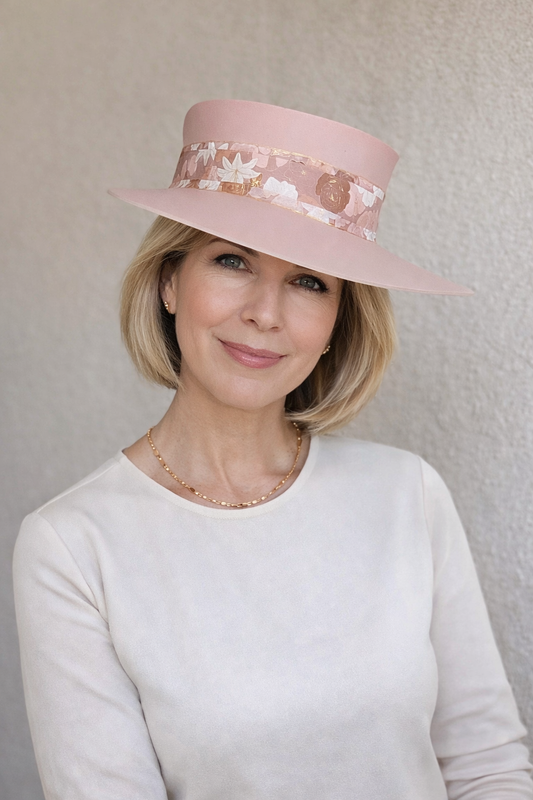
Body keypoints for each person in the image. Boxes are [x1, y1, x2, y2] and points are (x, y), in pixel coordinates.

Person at [13, 99, 533, 800]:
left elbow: (486, 765)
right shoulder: (73, 546)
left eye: (308, 281)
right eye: (232, 261)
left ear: (335, 321)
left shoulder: (405, 494)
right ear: (169, 281)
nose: (265, 312)